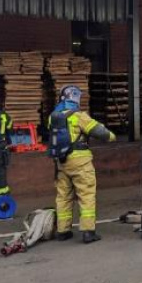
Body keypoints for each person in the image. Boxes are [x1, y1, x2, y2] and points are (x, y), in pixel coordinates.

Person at [49, 85, 117, 244]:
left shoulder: (53, 117)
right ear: (75, 98)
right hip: (81, 162)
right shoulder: (79, 116)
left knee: (63, 197)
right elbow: (102, 133)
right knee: (86, 195)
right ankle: (88, 232)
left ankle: (63, 231)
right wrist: (112, 136)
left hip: (61, 162)